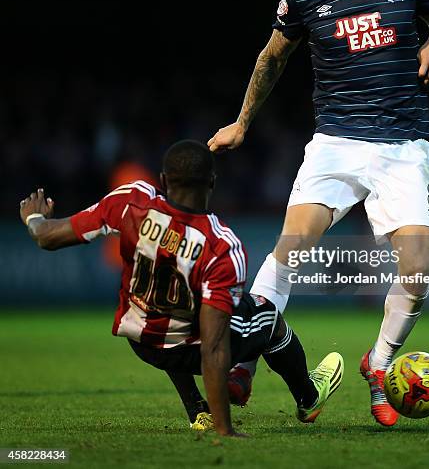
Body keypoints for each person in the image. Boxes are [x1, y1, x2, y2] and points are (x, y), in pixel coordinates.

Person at [208, 0, 429, 427]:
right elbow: (271, 58)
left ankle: (381, 363)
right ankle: (245, 363)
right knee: (291, 246)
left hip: (404, 145)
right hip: (337, 143)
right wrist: (243, 122)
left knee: (418, 269)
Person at [20, 140, 344, 437]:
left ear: (163, 180)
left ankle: (197, 410)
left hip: (143, 342)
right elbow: (214, 349)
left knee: (170, 317)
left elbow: (47, 236)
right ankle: (308, 397)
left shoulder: (130, 202)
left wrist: (34, 217)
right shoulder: (221, 246)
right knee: (268, 318)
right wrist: (225, 430)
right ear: (213, 183)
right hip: (187, 350)